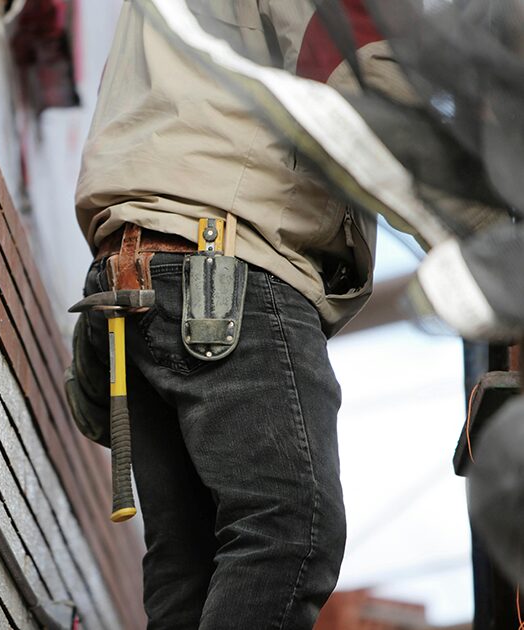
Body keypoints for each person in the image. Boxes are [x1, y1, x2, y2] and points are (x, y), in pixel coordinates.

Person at [68, 1, 418, 627]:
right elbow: (364, 84)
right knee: (291, 531)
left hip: (137, 268)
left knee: (190, 569)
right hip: (223, 266)